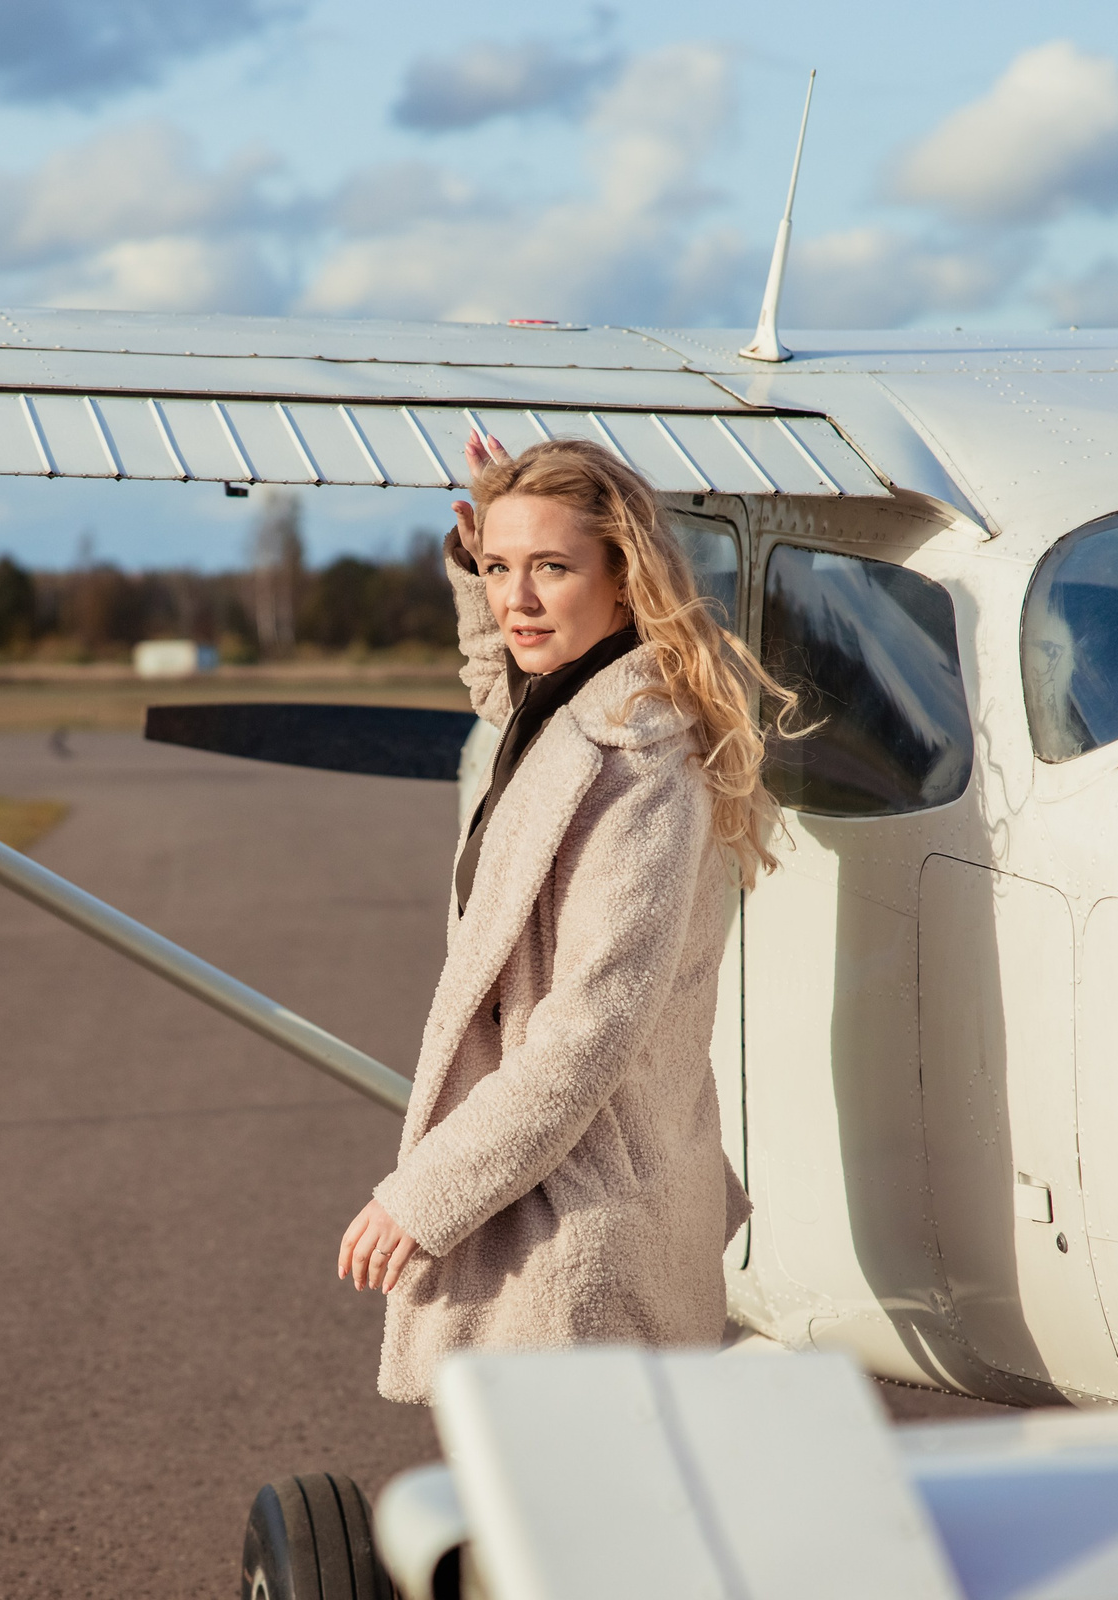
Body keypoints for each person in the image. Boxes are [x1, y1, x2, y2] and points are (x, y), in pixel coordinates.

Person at [336, 432, 799, 1405]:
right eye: (500, 569)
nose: (517, 599)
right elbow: (500, 691)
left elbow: (587, 1032)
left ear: (624, 581)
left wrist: (421, 1198)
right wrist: (472, 571)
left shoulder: (639, 763)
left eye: (551, 567)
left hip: (584, 1232)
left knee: (572, 1535)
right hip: (552, 1197)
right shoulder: (570, 713)